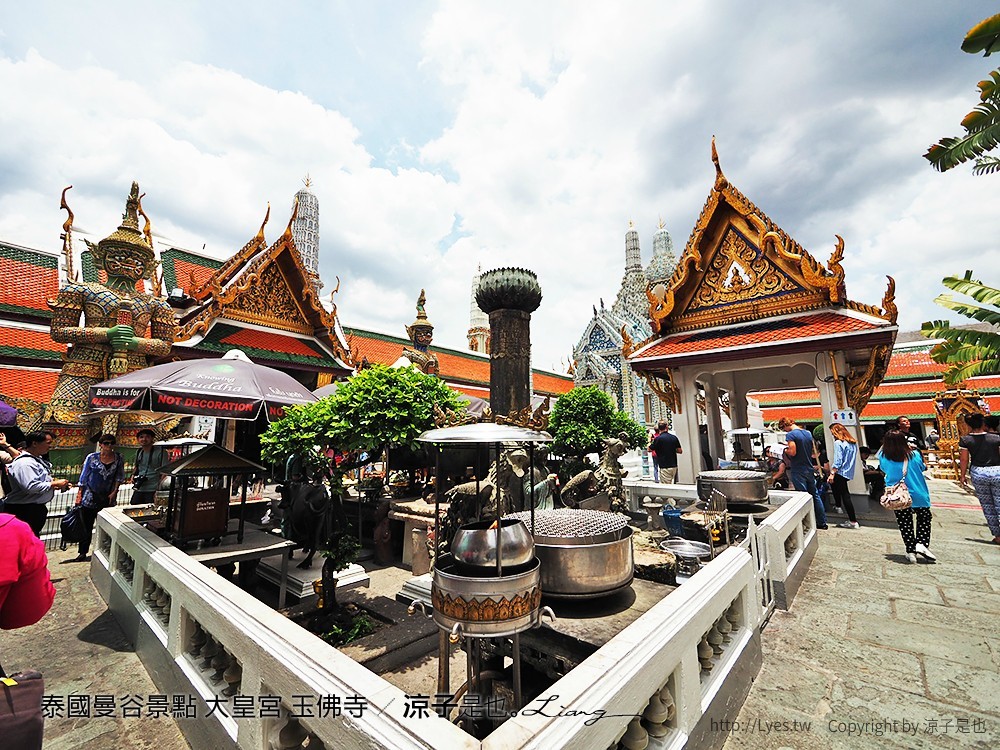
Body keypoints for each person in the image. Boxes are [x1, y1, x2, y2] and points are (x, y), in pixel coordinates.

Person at [879, 430, 935, 564]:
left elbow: (884, 469)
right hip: (918, 492)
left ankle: (910, 551)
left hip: (898, 495)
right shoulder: (914, 455)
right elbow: (923, 468)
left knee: (905, 523)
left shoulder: (883, 456)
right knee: (924, 517)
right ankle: (921, 542)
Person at [3, 432, 72, 536]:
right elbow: (30, 487)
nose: (50, 446)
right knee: (25, 540)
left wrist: (57, 485)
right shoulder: (25, 463)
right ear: (34, 443)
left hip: (33, 509)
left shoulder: (36, 460)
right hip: (24, 510)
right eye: (48, 443)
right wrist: (53, 484)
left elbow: (40, 481)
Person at [73, 434, 125, 561]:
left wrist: (115, 492)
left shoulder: (118, 458)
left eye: (112, 443)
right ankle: (83, 552)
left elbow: (119, 476)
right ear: (100, 444)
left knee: (106, 525)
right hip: (90, 495)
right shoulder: (92, 458)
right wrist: (79, 496)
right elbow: (84, 477)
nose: (109, 446)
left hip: (107, 496)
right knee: (87, 525)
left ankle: (103, 549)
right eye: (106, 443)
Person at [958, 413, 1000, 545]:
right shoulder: (996, 438)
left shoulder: (965, 440)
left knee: (988, 506)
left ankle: (998, 536)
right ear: (983, 423)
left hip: (978, 472)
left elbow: (964, 459)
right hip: (997, 470)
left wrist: (963, 475)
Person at [778, 417, 827, 529]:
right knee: (815, 495)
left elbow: (793, 452)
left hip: (798, 468)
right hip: (808, 467)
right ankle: (821, 522)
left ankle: (807, 522)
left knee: (802, 496)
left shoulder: (791, 435)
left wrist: (784, 450)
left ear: (785, 426)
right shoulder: (807, 433)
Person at [827, 423, 860, 529]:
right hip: (848, 471)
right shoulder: (852, 443)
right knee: (844, 493)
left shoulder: (838, 443)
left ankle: (852, 520)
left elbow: (838, 460)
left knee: (845, 495)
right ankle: (842, 510)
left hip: (840, 471)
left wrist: (832, 473)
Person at [131, 429, 165, 505]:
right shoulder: (139, 451)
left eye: (147, 437)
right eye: (141, 437)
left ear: (152, 438)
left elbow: (165, 472)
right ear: (138, 439)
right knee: (134, 506)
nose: (144, 439)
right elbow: (137, 466)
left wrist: (159, 489)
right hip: (139, 487)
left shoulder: (161, 452)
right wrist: (133, 475)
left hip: (153, 488)